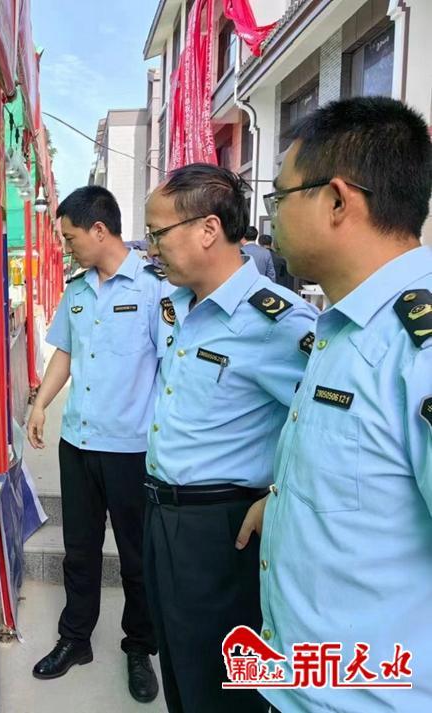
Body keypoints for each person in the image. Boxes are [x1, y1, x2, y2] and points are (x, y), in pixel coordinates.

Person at [238, 96, 432, 712]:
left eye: (279, 198)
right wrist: (286, 503)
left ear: (338, 201)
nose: (270, 219)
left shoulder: (417, 346)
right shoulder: (344, 325)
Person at [143, 163, 316, 713]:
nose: (152, 248)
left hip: (222, 531)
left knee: (219, 688)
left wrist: (280, 494)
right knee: (179, 669)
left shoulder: (278, 323)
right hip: (162, 516)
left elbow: (326, 425)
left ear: (208, 229)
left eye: (158, 233)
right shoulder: (178, 306)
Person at [26, 185, 161, 703]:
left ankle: (139, 648)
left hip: (131, 449)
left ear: (99, 230)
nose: (67, 246)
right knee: (79, 550)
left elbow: (171, 368)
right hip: (78, 443)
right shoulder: (78, 291)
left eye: (70, 237)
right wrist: (41, 403)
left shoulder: (154, 289)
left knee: (136, 558)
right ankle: (75, 639)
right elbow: (65, 352)